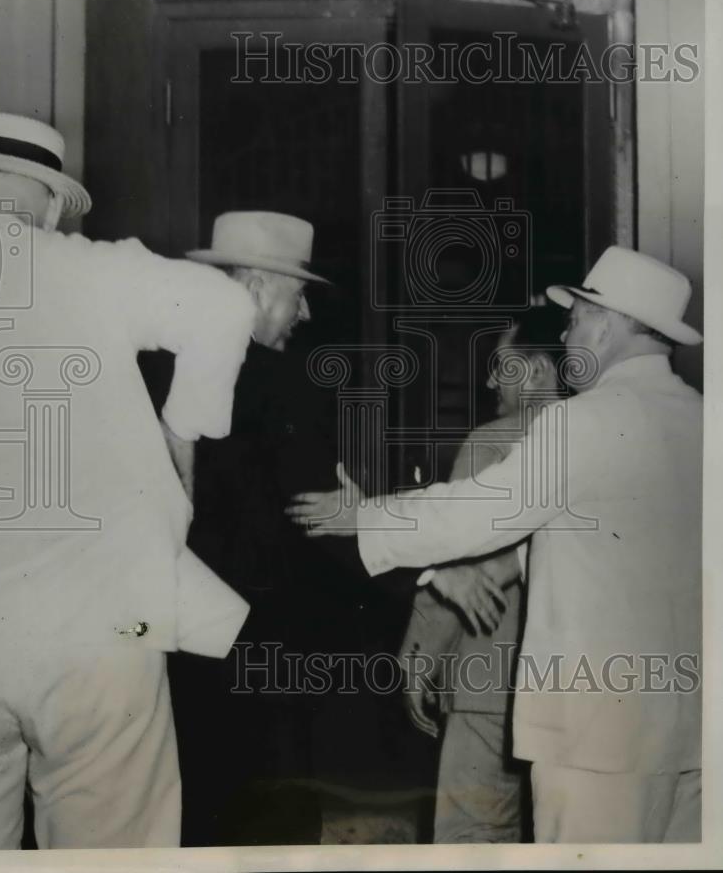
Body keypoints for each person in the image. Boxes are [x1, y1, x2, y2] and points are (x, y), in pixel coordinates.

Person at [289, 246, 703, 844]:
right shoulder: (702, 420)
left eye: (574, 320)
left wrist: (366, 516)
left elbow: (475, 514)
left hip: (597, 736)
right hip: (695, 729)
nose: (565, 337)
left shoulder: (581, 423)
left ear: (605, 324)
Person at [0, 112, 256, 849]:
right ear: (55, 205)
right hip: (106, 627)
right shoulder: (91, 268)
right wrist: (178, 436)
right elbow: (226, 303)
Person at [170, 211, 340, 845]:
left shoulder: (158, 366)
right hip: (269, 639)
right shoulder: (287, 386)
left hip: (175, 633)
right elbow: (319, 510)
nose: (305, 317)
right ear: (258, 287)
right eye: (297, 296)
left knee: (194, 803)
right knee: (274, 815)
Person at [399, 308, 564, 843]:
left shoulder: (493, 442)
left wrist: (420, 654)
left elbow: (459, 561)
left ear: (537, 370)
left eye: (501, 365)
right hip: (578, 689)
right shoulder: (605, 438)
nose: (490, 380)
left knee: (471, 835)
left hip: (489, 681)